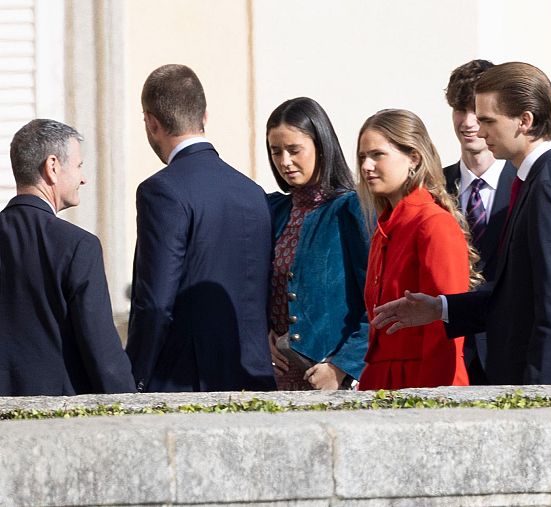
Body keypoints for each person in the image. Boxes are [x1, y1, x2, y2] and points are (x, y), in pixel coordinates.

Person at [372, 62, 551, 385]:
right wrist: (440, 308)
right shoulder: (537, 181)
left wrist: (536, 401)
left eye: (488, 120)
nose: (479, 130)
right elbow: (516, 296)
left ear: (524, 121)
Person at [127, 64, 275, 392]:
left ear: (151, 123)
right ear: (204, 116)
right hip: (255, 379)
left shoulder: (160, 191)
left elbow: (155, 302)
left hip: (185, 384)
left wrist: (133, 377)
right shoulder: (253, 193)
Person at [0, 119, 134, 395]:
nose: (83, 178)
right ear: (52, 167)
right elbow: (103, 356)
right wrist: (134, 411)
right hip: (56, 420)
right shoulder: (78, 246)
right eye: (79, 166)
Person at [356, 109, 476, 390]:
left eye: (377, 155)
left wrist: (428, 402)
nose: (366, 166)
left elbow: (445, 332)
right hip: (383, 383)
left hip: (424, 383)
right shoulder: (386, 226)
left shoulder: (433, 223)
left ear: (414, 157)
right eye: (362, 157)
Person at [264, 97, 369, 390]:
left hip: (333, 379)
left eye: (294, 150)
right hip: (276, 379)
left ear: (321, 147)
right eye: (276, 152)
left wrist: (342, 366)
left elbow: (377, 302)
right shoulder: (274, 210)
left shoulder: (350, 209)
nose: (285, 161)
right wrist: (264, 333)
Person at [442, 59, 517, 384]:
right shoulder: (433, 188)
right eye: (461, 109)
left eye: (478, 112)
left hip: (506, 353)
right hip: (447, 354)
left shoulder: (525, 187)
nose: (469, 122)